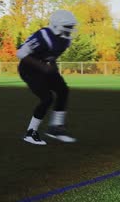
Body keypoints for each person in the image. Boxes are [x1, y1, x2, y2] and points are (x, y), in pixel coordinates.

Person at [16, 10, 78, 145]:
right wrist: (43, 67)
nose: (71, 30)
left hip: (44, 67)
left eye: (71, 27)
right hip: (29, 69)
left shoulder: (64, 40)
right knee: (47, 98)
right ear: (56, 26)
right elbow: (21, 53)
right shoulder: (43, 36)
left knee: (63, 91)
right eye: (68, 27)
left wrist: (52, 65)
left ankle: (55, 128)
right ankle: (30, 133)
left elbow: (51, 54)